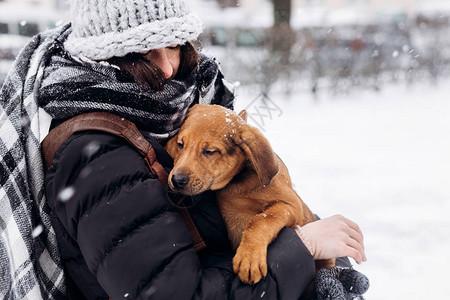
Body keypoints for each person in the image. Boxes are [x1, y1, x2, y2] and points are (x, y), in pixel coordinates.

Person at [0, 0, 368, 299]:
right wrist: (300, 250)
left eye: (174, 45)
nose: (169, 68)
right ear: (104, 57)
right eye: (144, 52)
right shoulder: (96, 157)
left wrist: (323, 259)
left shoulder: (179, 114)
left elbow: (263, 197)